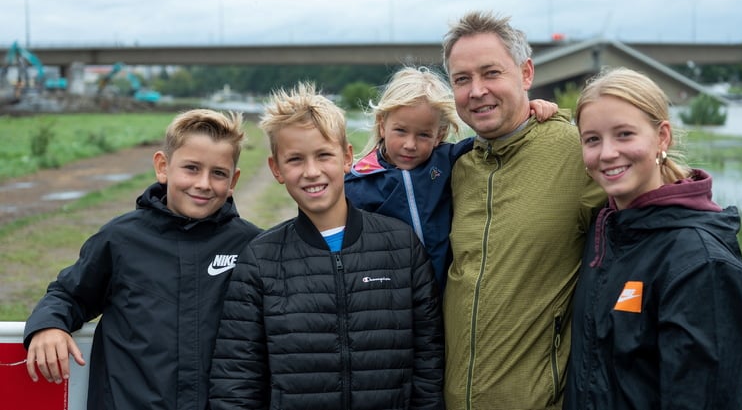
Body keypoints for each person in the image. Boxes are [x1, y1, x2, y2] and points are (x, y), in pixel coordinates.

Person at [209, 82, 444, 410]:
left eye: (323, 155)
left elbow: (429, 365)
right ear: (276, 169)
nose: (312, 172)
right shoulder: (260, 260)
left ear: (347, 157)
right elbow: (236, 380)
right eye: (295, 160)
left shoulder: (401, 247)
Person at [23, 109, 262, 410]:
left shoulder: (251, 245)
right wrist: (48, 326)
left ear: (233, 180)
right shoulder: (120, 239)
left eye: (218, 173)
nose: (203, 183)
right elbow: (68, 293)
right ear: (163, 167)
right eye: (191, 168)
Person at [564, 66, 742, 410]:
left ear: (662, 137)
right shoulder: (609, 234)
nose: (607, 153)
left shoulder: (699, 262)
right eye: (592, 139)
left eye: (625, 134)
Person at [441, 10, 606, 410]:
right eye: (462, 79)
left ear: (526, 73)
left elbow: (658, 201)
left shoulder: (577, 153)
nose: (477, 91)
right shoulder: (456, 167)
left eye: (491, 73)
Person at [345, 66, 558, 290]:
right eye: (400, 131)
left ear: (440, 135)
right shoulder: (359, 182)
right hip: (392, 302)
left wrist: (526, 113)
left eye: (424, 135)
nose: (410, 144)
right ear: (382, 125)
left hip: (446, 298)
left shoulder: (448, 161)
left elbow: (497, 138)